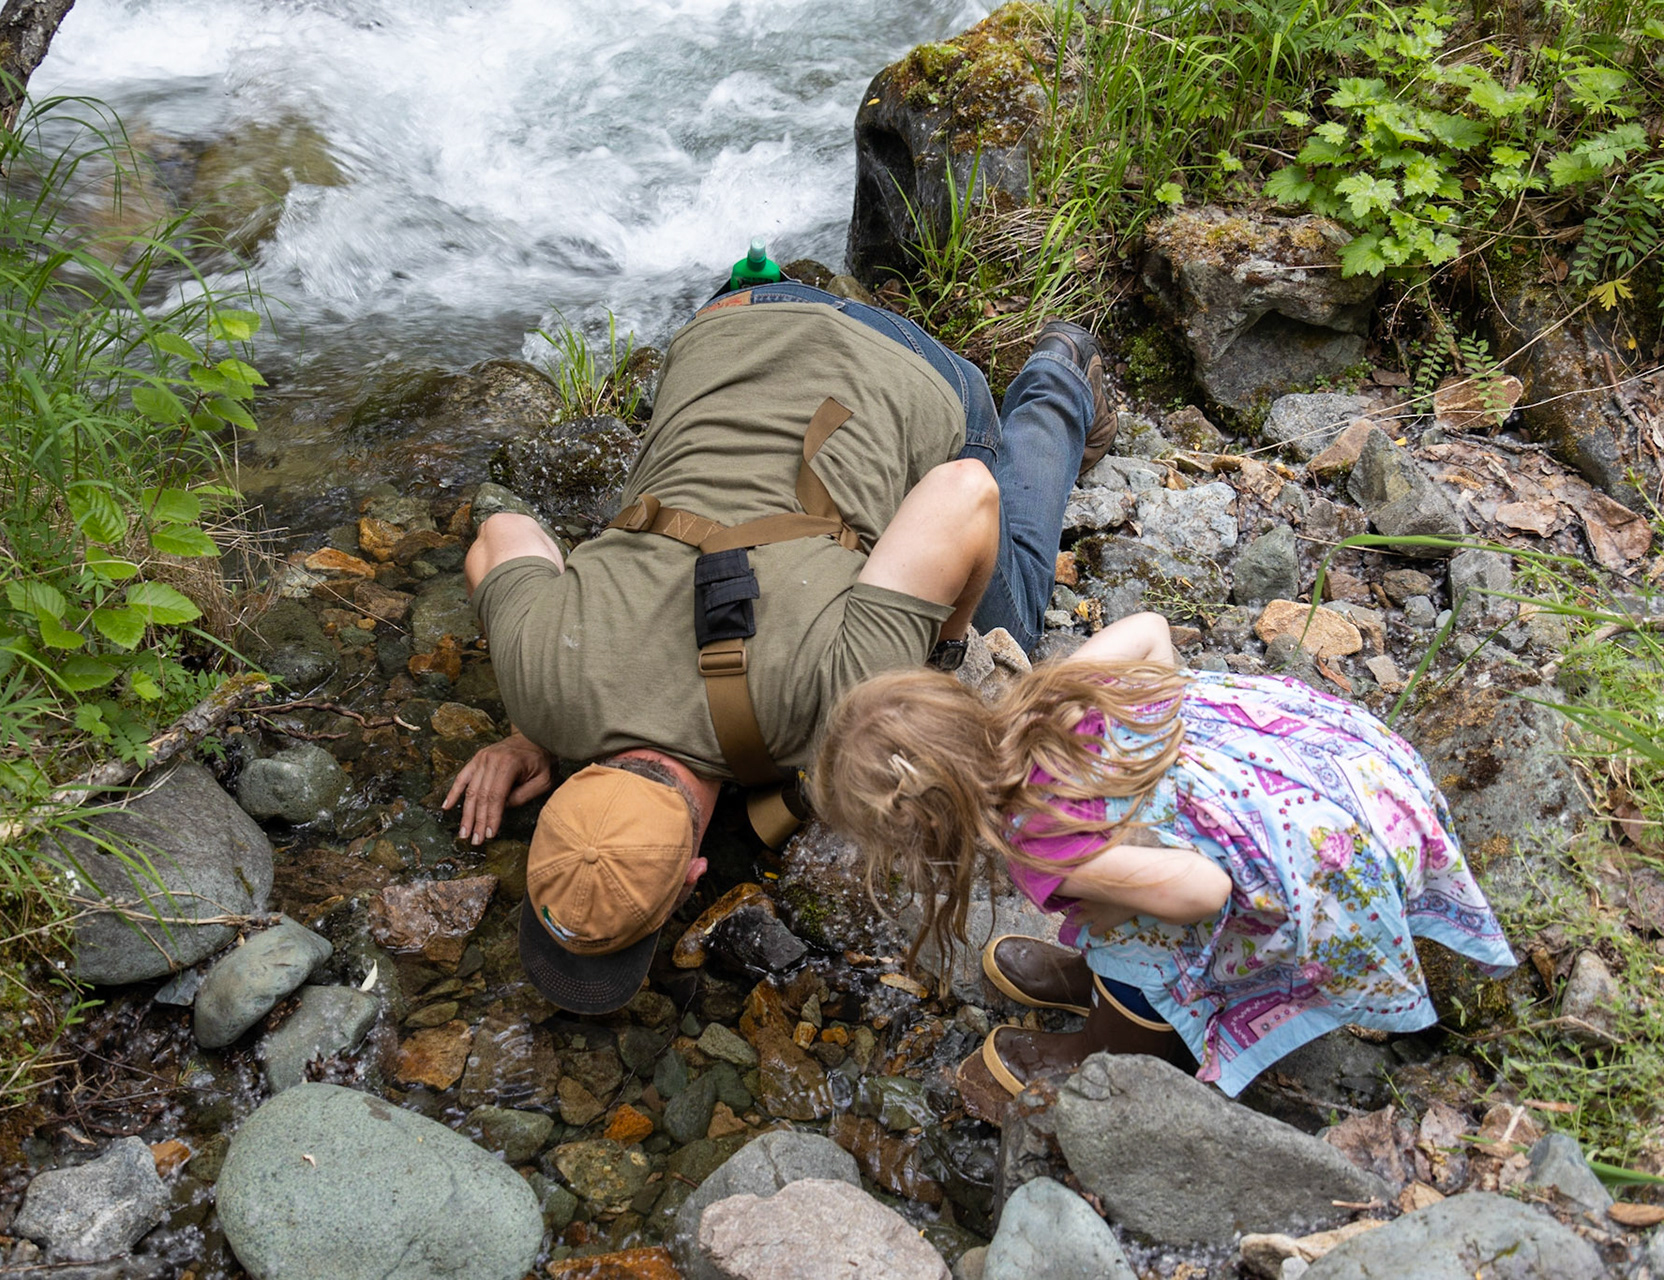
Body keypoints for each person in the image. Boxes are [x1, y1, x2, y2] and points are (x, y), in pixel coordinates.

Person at [442, 279, 1115, 1015]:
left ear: (695, 873)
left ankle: (1059, 374)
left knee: (1006, 636)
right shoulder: (542, 680)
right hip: (738, 317)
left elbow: (964, 493)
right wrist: (530, 720)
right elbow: (503, 535)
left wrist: (945, 654)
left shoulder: (834, 706)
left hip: (917, 370)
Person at [810, 611, 1517, 1098]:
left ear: (930, 826)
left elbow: (1202, 891)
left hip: (1326, 862)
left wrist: (1120, 891)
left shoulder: (1051, 847)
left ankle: (1119, 1040)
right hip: (1334, 769)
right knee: (1124, 895)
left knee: (1134, 930)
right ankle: (1101, 964)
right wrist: (1164, 758)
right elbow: (1149, 632)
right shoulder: (1042, 700)